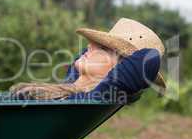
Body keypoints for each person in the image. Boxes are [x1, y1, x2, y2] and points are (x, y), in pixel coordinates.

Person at [10, 18, 166, 103]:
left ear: (119, 69)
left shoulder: (96, 96)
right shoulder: (71, 88)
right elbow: (80, 58)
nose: (89, 46)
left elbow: (149, 57)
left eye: (103, 48)